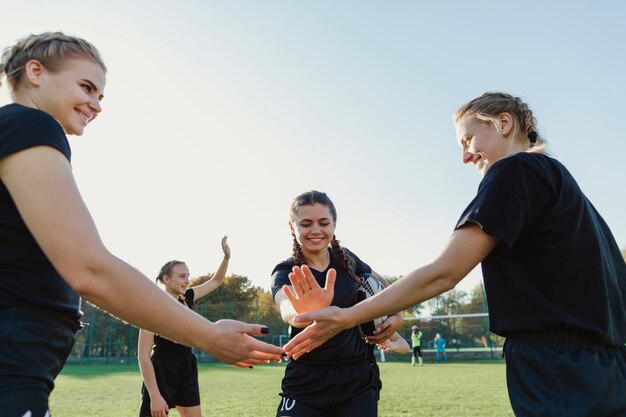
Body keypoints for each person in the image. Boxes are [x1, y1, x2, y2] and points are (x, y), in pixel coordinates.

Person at [284, 92, 626, 417]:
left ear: (503, 123)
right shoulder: (566, 187)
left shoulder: (516, 169)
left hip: (559, 365)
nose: (464, 156)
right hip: (607, 365)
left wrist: (347, 317)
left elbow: (444, 272)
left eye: (467, 140)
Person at [0, 32, 283, 417]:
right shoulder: (29, 124)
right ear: (36, 72)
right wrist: (208, 336)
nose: (96, 105)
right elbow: (89, 269)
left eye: (101, 96)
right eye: (87, 87)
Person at [271, 190, 403, 417]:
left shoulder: (347, 259)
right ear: (292, 227)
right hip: (306, 381)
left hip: (357, 379)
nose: (315, 230)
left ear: (334, 225)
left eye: (323, 222)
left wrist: (397, 312)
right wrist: (304, 312)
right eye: (306, 223)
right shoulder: (285, 270)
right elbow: (286, 307)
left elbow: (383, 286)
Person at [138, 237, 231, 417]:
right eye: (182, 276)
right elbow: (143, 356)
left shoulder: (188, 297)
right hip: (161, 371)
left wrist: (226, 258)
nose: (187, 280)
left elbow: (216, 281)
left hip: (187, 365)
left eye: (188, 276)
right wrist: (155, 396)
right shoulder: (152, 307)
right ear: (166, 279)